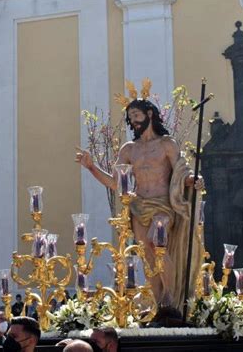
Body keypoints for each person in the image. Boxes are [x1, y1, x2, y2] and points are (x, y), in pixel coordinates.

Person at [76, 96, 204, 310]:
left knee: (158, 241)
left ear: (150, 114)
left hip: (163, 204)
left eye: (136, 115)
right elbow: (115, 183)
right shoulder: (129, 149)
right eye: (130, 117)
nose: (133, 120)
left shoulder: (166, 144)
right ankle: (158, 303)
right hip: (139, 206)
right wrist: (91, 167)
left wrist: (193, 180)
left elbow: (182, 171)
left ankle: (173, 301)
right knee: (148, 257)